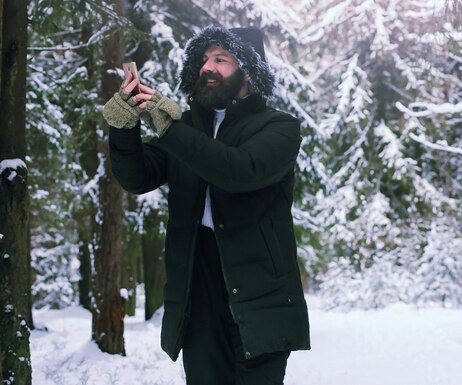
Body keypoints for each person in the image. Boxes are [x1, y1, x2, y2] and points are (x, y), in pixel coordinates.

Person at [102, 25, 311, 385]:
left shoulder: (279, 128)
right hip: (197, 289)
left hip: (259, 292)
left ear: (247, 68)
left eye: (220, 59)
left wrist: (172, 129)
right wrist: (124, 127)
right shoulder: (185, 128)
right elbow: (137, 177)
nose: (207, 67)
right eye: (202, 60)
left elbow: (238, 171)